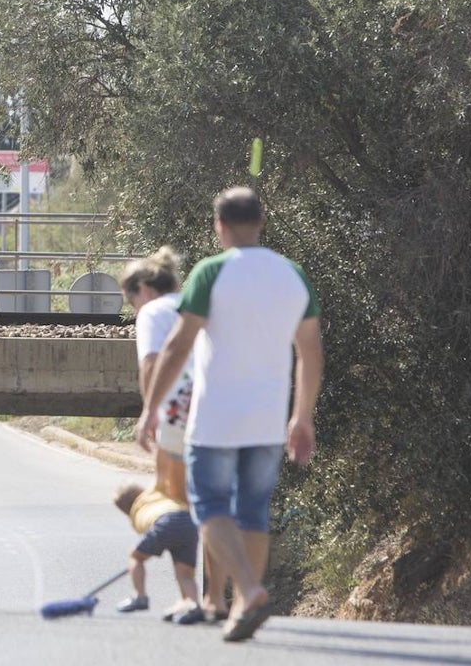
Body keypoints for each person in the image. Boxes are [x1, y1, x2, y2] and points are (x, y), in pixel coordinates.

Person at [138, 186, 323, 643]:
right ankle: (242, 609)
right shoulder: (292, 275)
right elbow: (311, 351)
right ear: (262, 222)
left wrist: (151, 408)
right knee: (253, 511)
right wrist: (302, 416)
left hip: (216, 417)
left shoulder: (210, 272)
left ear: (219, 226)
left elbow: (179, 345)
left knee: (209, 506)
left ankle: (248, 589)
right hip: (267, 418)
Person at [120, 247, 229, 620]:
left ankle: (188, 598)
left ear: (144, 289)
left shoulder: (153, 311)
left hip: (178, 415)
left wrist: (147, 412)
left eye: (130, 299)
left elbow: (152, 363)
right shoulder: (195, 302)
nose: (133, 308)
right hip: (220, 411)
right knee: (212, 506)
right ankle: (215, 597)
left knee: (175, 503)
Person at [111, 482, 204, 624]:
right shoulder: (156, 494)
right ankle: (193, 604)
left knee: (136, 557)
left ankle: (139, 596)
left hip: (165, 522)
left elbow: (153, 541)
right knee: (185, 574)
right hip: (188, 521)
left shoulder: (137, 514)